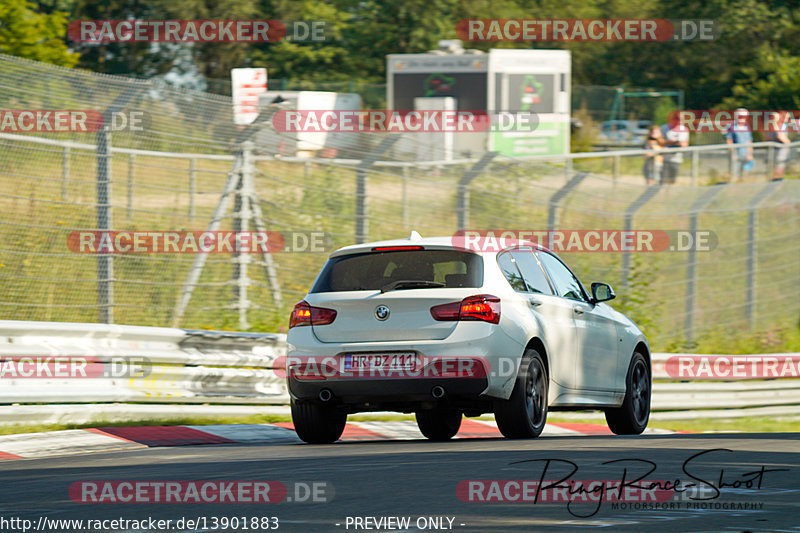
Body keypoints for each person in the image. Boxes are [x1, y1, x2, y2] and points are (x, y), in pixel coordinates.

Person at [725, 108, 753, 181]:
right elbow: (729, 140)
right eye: (740, 116)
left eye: (744, 116)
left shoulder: (747, 127)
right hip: (736, 154)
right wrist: (732, 153)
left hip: (745, 154)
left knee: (745, 174)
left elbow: (749, 141)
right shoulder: (731, 127)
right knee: (734, 174)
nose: (742, 118)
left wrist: (750, 154)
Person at [660, 115, 690, 184]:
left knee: (672, 180)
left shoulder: (684, 129)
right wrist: (672, 141)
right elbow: (660, 141)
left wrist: (681, 144)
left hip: (676, 158)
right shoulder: (664, 128)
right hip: (664, 158)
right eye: (677, 119)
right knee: (663, 180)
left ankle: (669, 193)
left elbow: (686, 144)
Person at [766, 111, 791, 180]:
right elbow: (780, 136)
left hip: (780, 149)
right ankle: (777, 178)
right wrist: (788, 143)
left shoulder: (782, 125)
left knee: (780, 164)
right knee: (778, 164)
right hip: (778, 149)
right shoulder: (776, 125)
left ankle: (778, 178)